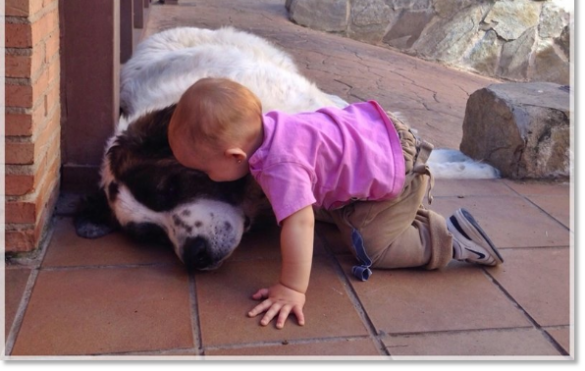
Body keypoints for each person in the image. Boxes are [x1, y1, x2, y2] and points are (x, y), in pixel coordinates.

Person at [168, 77, 504, 330]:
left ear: (235, 157)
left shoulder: (280, 168)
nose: (206, 178)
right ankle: (405, 202)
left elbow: (299, 223)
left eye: (205, 170)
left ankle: (452, 238)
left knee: (371, 245)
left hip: (395, 168)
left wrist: (291, 287)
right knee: (316, 207)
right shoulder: (271, 129)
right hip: (379, 133)